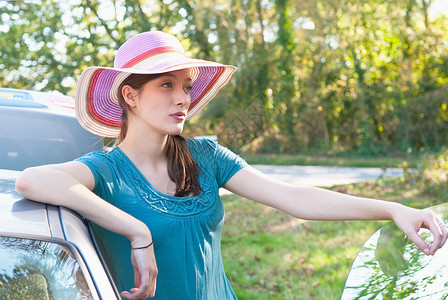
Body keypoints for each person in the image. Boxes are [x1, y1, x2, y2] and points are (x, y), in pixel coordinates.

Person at [15, 31, 447, 300]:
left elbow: (296, 198)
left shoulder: (205, 157)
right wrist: (136, 230)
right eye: (166, 85)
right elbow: (34, 179)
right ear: (130, 95)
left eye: (185, 86)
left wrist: (393, 208)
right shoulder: (104, 170)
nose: (183, 98)